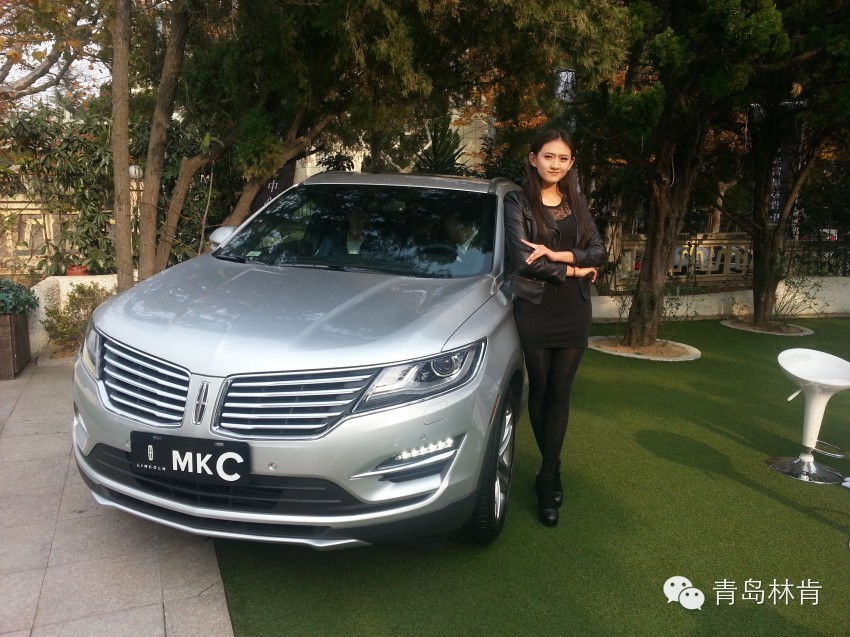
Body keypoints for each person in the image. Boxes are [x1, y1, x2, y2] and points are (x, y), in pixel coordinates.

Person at [503, 129, 607, 527]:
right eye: (549, 156)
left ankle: (547, 475)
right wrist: (576, 270)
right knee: (541, 389)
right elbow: (524, 261)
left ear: (571, 163)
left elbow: (599, 251)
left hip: (573, 308)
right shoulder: (517, 203)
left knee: (561, 392)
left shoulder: (577, 203)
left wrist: (562, 255)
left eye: (563, 158)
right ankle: (552, 463)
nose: (555, 164)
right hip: (535, 307)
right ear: (533, 158)